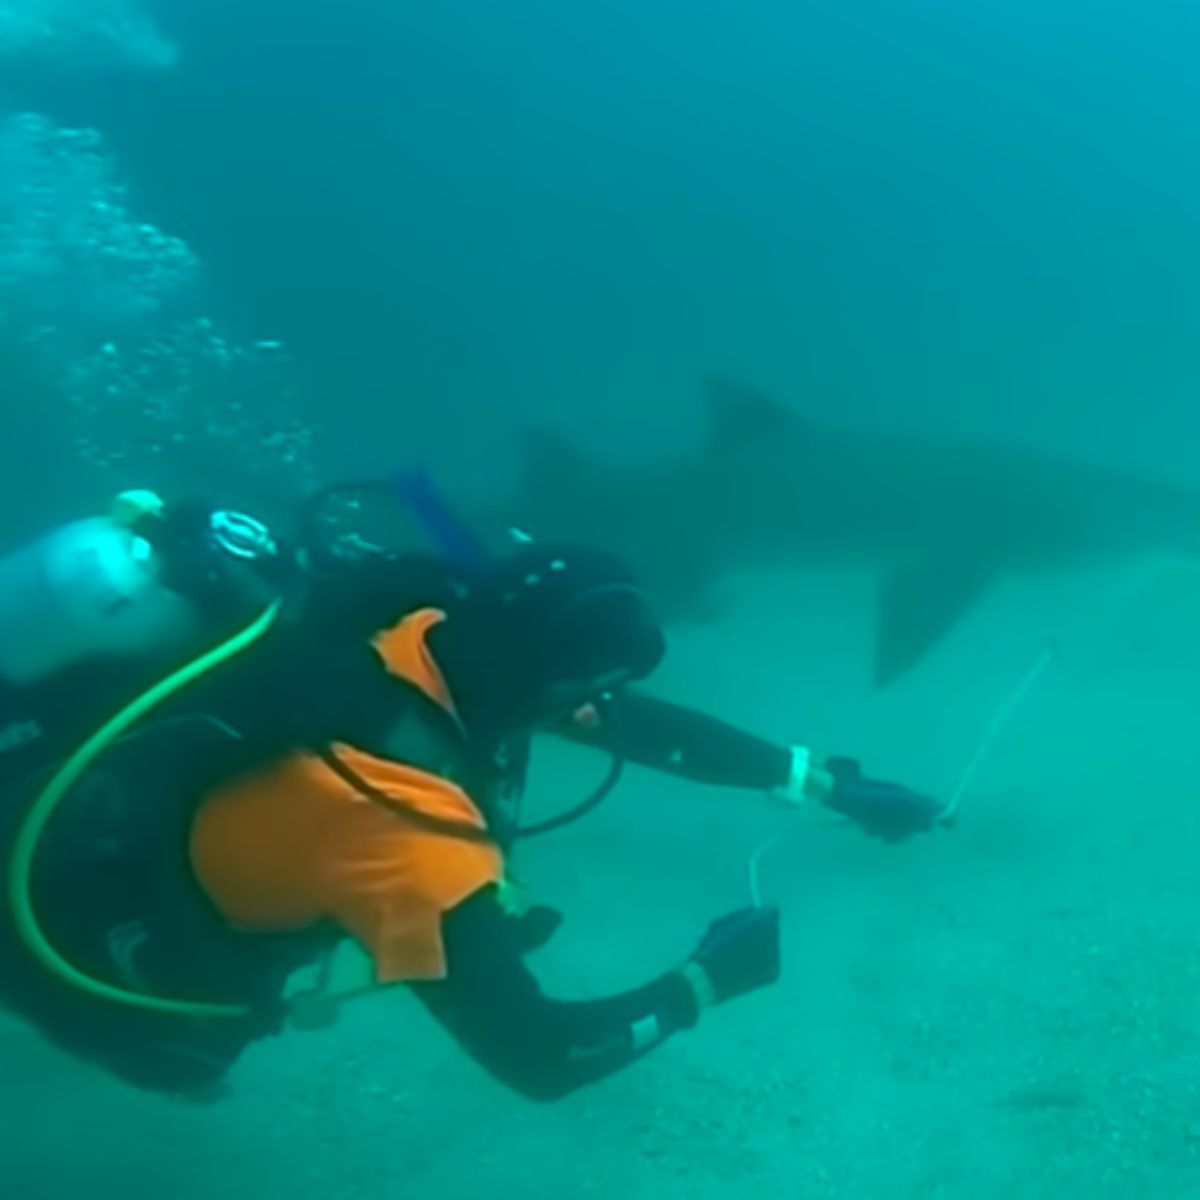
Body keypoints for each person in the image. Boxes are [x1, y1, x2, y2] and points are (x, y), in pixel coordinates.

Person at [0, 489, 943, 1102]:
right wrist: (708, 980)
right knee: (185, 1069)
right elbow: (540, 1056)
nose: (597, 709)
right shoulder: (411, 838)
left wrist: (826, 782)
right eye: (584, 693)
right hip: (67, 918)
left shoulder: (422, 627)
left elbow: (629, 722)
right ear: (541, 685)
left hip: (99, 789)